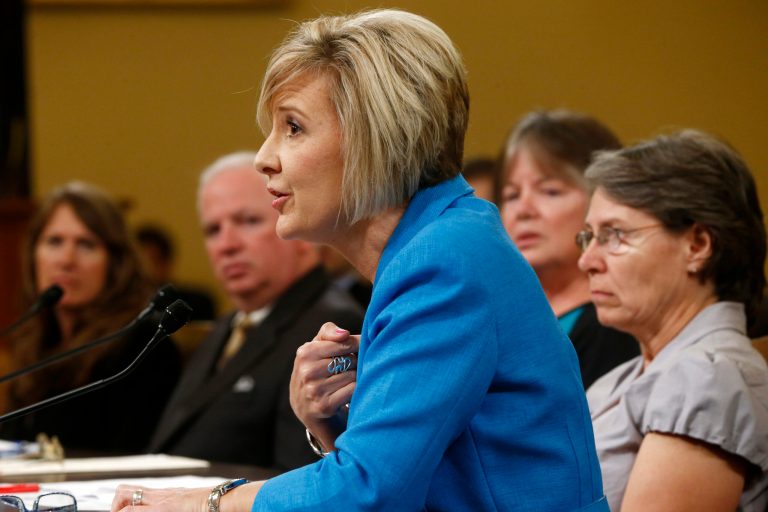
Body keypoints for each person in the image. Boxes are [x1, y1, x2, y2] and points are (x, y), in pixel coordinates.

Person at [112, 9, 608, 511]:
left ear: (377, 138)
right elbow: (410, 479)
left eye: (293, 127)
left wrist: (209, 503)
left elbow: (370, 494)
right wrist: (328, 425)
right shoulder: (444, 242)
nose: (264, 157)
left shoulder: (442, 261)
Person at [578, 130, 768, 510]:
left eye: (614, 235)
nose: (587, 261)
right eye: (588, 237)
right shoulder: (624, 378)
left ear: (697, 246)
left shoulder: (707, 379)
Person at [147, 152, 364, 471]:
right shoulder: (229, 327)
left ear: (301, 230)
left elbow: (306, 473)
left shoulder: (331, 326)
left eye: (248, 221)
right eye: (213, 230)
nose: (226, 244)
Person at [0, 181, 181, 453]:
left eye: (86, 244)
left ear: (116, 263)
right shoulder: (33, 341)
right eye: (54, 241)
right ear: (33, 255)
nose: (66, 259)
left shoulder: (145, 344)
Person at [498, 110, 638, 388]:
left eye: (550, 191)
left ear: (604, 201)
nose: (522, 210)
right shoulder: (496, 322)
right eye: (511, 195)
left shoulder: (612, 329)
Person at [135, 223, 217, 321]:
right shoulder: (123, 306)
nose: (145, 271)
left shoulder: (197, 303)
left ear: (166, 263)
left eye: (152, 262)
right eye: (138, 264)